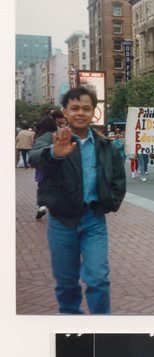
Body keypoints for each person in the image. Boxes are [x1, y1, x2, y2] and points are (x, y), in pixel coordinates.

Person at [29, 87, 126, 314]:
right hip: (61, 221)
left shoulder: (105, 146)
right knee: (66, 283)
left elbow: (118, 179)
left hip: (93, 220)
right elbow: (36, 158)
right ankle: (71, 325)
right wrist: (54, 154)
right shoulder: (51, 139)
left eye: (86, 108)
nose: (80, 113)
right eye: (74, 108)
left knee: (98, 279)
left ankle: (101, 329)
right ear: (65, 112)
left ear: (94, 112)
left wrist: (109, 202)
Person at [33, 116, 58, 220]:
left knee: (42, 187)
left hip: (42, 167)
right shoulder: (56, 136)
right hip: (55, 166)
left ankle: (42, 207)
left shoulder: (39, 137)